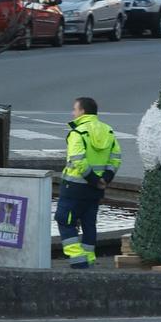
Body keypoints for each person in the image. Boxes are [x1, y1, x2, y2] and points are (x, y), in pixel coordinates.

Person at [57, 95, 121, 267]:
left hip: (74, 187)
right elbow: (115, 158)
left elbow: (78, 160)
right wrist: (104, 179)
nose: (73, 113)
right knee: (88, 223)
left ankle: (78, 261)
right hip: (96, 190)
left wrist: (92, 179)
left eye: (75, 109)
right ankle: (89, 259)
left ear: (82, 111)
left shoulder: (78, 132)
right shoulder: (108, 131)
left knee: (64, 219)